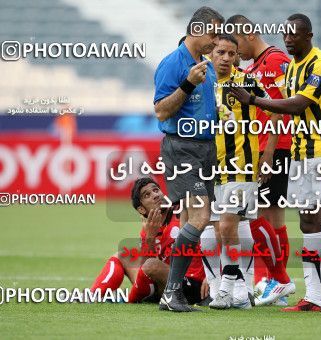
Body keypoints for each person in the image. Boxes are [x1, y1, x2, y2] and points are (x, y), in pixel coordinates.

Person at [230, 13, 321, 312]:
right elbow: (285, 109)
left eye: (295, 34)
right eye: (286, 34)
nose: (288, 39)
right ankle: (313, 297)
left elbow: (298, 104)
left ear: (309, 35)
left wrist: (253, 100)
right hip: (302, 152)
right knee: (307, 222)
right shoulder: (292, 70)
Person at [202, 34, 293, 310]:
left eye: (231, 53)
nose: (226, 58)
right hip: (214, 167)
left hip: (242, 165)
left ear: (237, 56)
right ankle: (241, 289)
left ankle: (228, 289)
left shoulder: (247, 81)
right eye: (221, 52)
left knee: (229, 224)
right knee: (223, 228)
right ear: (211, 53)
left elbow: (276, 113)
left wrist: (268, 153)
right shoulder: (203, 82)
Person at [153, 6, 224, 312]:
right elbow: (161, 110)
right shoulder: (174, 64)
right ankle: (171, 292)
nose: (216, 40)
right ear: (197, 30)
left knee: (187, 220)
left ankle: (176, 292)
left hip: (205, 149)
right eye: (213, 33)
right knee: (200, 217)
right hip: (183, 148)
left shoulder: (203, 66)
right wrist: (187, 84)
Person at [226, 14, 294, 306]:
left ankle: (279, 281)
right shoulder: (254, 66)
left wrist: (269, 152)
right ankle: (274, 283)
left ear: (249, 35)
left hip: (275, 148)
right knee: (267, 219)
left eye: (236, 43)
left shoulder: (275, 61)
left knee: (266, 219)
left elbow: (285, 106)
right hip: (263, 148)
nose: (234, 50)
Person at [90, 177, 208, 305]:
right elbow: (144, 270)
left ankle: (130, 300)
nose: (155, 195)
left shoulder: (183, 211)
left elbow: (212, 238)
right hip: (166, 282)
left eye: (156, 190)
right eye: (147, 195)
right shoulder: (148, 228)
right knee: (122, 256)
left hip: (193, 283)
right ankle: (93, 296)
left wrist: (212, 276)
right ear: (141, 209)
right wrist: (150, 237)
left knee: (152, 266)